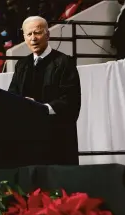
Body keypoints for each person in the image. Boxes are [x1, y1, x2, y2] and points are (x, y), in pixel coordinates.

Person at [8, 16, 81, 165]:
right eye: (29, 34)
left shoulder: (64, 62)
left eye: (37, 33)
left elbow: (71, 100)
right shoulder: (22, 65)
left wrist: (39, 109)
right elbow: (11, 95)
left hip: (57, 140)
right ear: (24, 37)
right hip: (27, 140)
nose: (33, 38)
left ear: (48, 35)